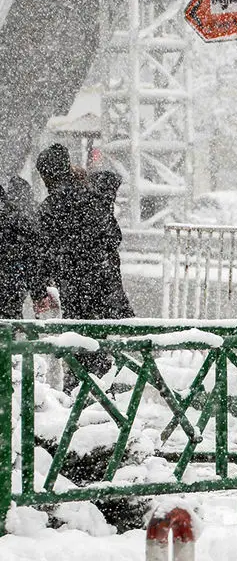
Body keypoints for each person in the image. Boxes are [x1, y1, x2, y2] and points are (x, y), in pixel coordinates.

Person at [35, 144, 135, 386]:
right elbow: (113, 237)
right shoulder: (93, 197)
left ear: (47, 176)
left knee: (80, 348)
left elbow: (44, 255)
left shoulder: (49, 209)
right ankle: (105, 397)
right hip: (105, 286)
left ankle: (83, 396)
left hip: (75, 290)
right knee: (103, 348)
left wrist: (42, 286)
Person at [0, 177, 45, 318]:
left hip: (10, 281)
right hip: (11, 283)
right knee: (10, 320)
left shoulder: (13, 217)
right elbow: (31, 253)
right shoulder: (16, 217)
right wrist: (38, 291)